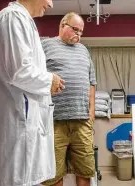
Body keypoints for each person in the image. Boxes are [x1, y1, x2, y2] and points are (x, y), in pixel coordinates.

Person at [0, 0, 65, 186]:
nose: (51, 4)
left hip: (20, 129)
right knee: (15, 178)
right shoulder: (12, 18)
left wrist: (48, 81)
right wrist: (49, 80)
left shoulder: (22, 21)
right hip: (15, 126)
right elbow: (19, 71)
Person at [41, 12, 96, 186]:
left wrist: (91, 113)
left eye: (81, 32)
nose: (78, 35)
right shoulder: (46, 45)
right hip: (54, 121)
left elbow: (91, 82)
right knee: (54, 173)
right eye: (75, 30)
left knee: (85, 170)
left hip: (82, 121)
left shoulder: (83, 50)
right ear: (63, 25)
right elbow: (34, 76)